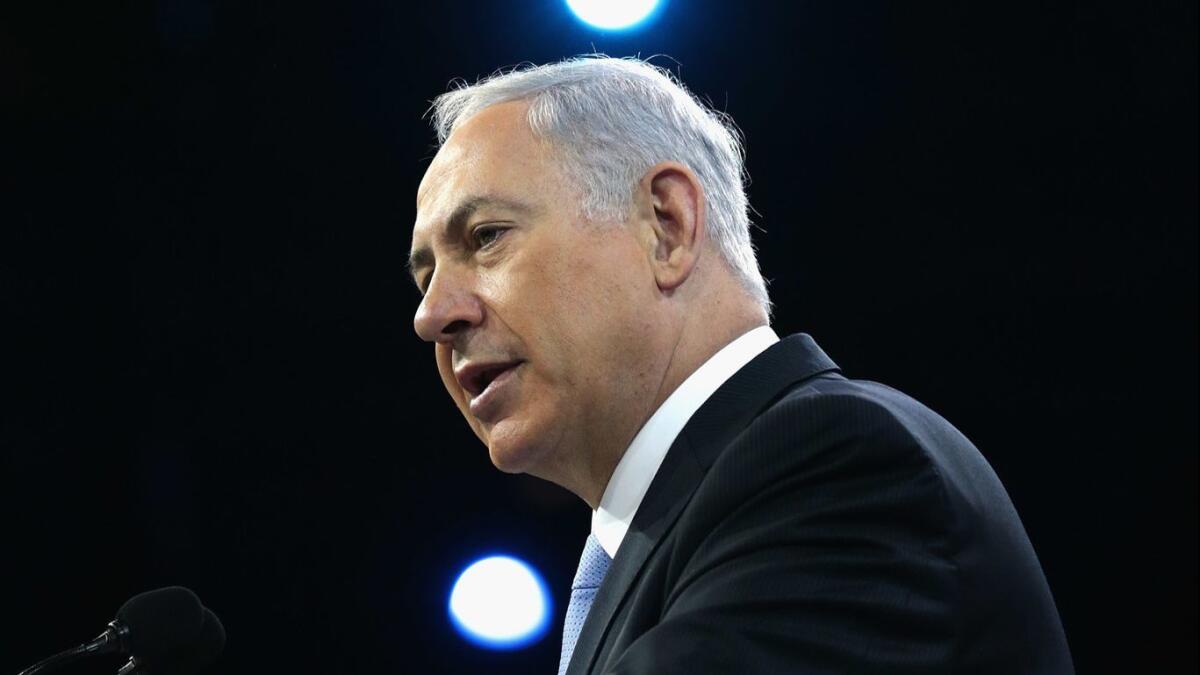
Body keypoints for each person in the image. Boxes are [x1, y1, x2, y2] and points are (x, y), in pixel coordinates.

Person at [409, 56, 1074, 674]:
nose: (432, 315)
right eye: (425, 277)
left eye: (485, 237)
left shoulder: (835, 467)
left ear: (666, 225)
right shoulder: (688, 522)